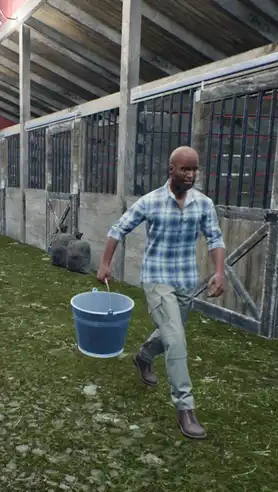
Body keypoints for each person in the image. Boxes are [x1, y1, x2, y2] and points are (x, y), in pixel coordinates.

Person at [96, 146, 226, 440]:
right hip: (156, 279)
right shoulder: (150, 201)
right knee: (176, 339)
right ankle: (185, 408)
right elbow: (117, 230)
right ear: (172, 170)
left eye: (194, 169)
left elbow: (215, 238)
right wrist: (105, 264)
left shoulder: (203, 204)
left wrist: (219, 272)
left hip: (186, 281)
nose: (190, 175)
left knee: (171, 333)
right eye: (185, 169)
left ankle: (143, 357)